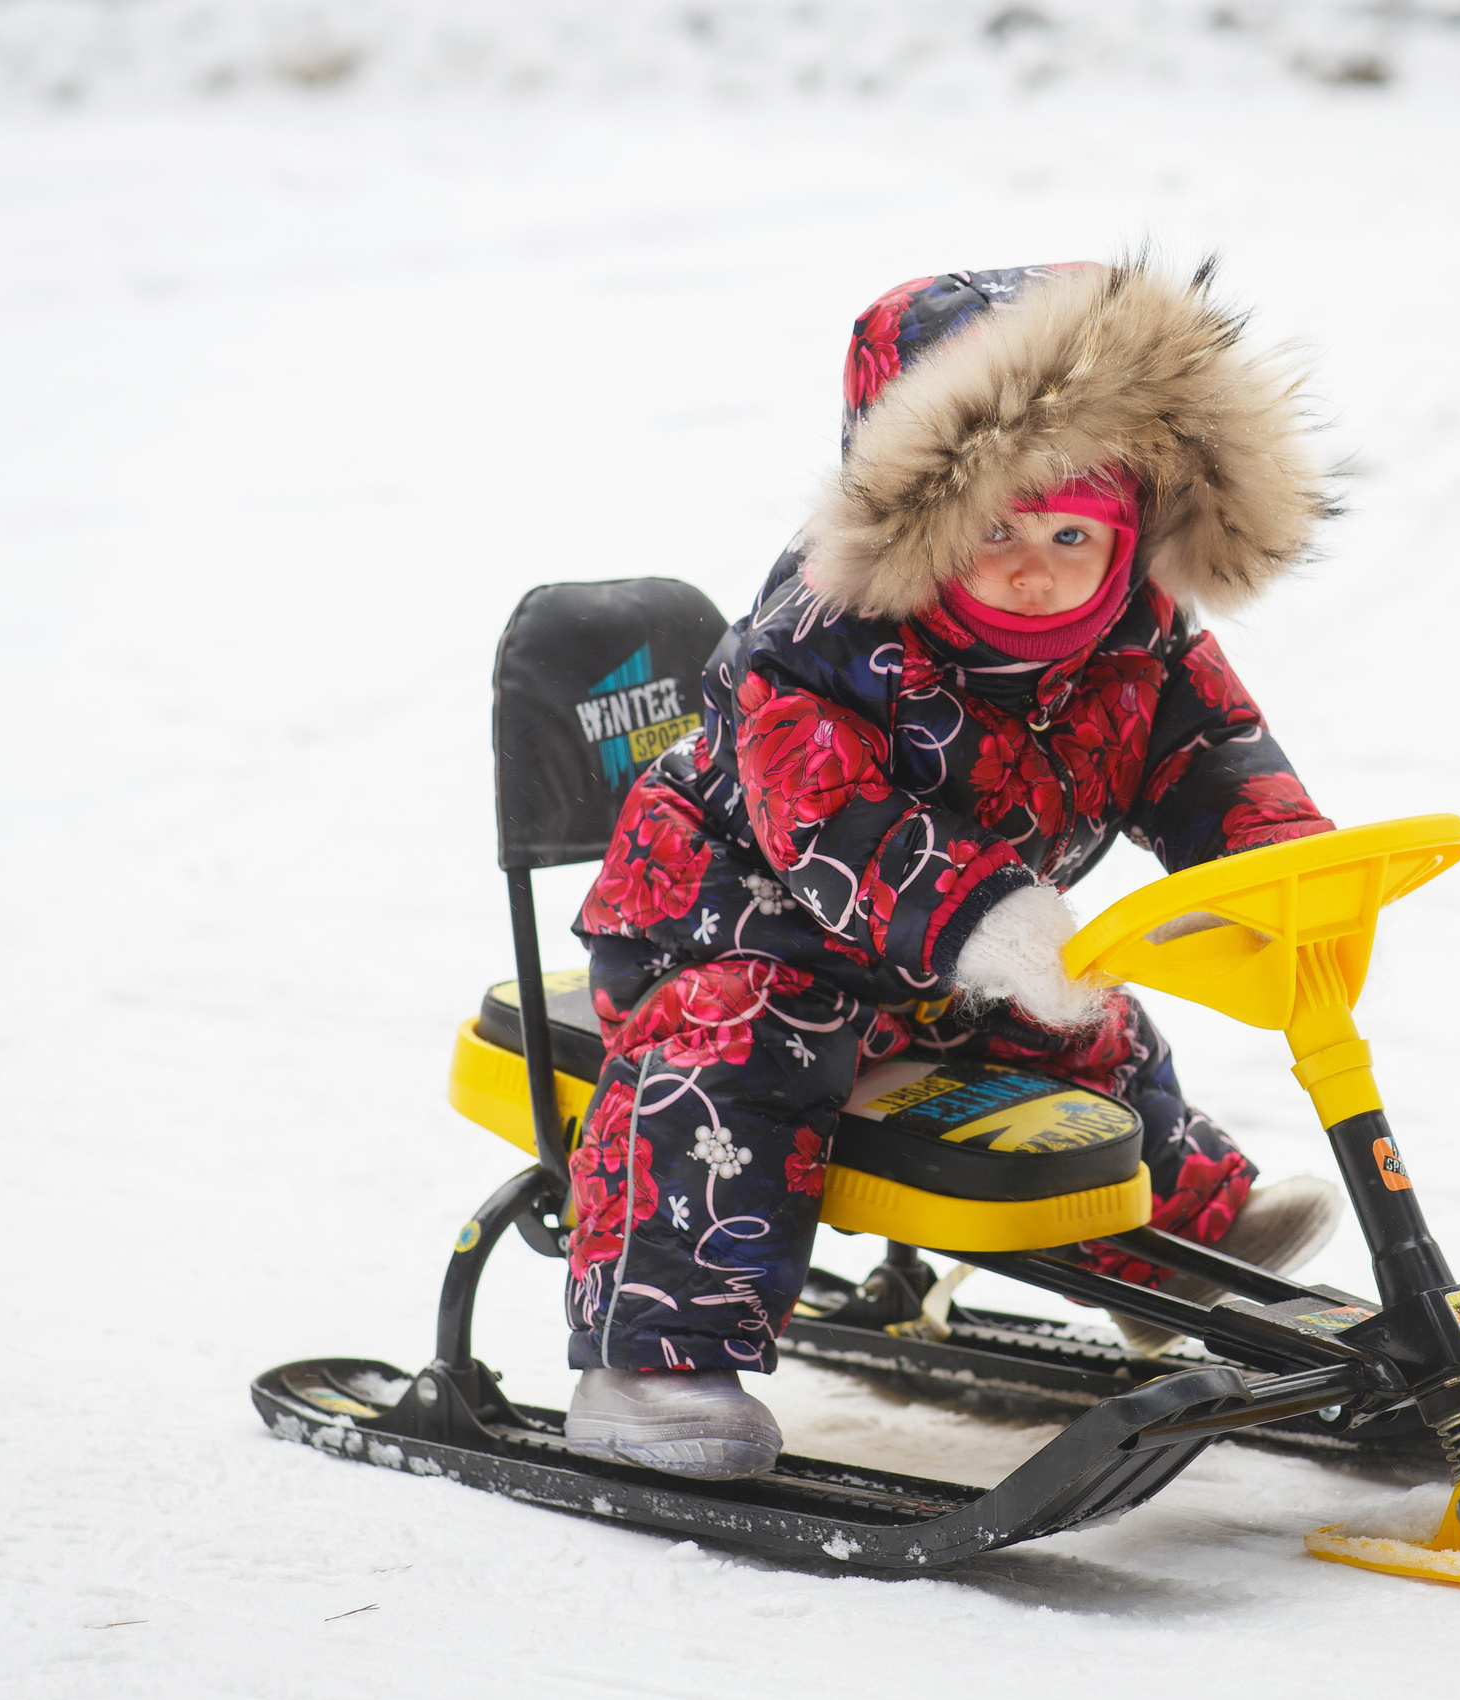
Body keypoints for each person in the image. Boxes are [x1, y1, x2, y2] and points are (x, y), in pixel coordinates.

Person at [560, 260, 1347, 1478]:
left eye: (1072, 534)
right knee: (735, 1059)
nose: (1035, 568)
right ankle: (651, 1362)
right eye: (995, 532)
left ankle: (1171, 1254)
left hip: (944, 959)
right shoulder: (819, 647)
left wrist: (1276, 869)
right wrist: (984, 916)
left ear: (1133, 525)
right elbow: (829, 820)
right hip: (726, 941)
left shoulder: (1137, 634)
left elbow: (1210, 754)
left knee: (1097, 1038)